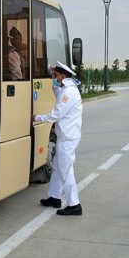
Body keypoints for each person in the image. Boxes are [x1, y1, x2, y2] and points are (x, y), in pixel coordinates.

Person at [32, 61, 83, 216]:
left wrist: (37, 117)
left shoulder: (69, 92)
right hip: (66, 135)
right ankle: (55, 197)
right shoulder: (66, 89)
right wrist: (54, 82)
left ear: (62, 76)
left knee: (65, 170)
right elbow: (57, 93)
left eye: (55, 75)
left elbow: (56, 114)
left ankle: (74, 204)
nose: (53, 77)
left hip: (67, 137)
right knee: (57, 166)